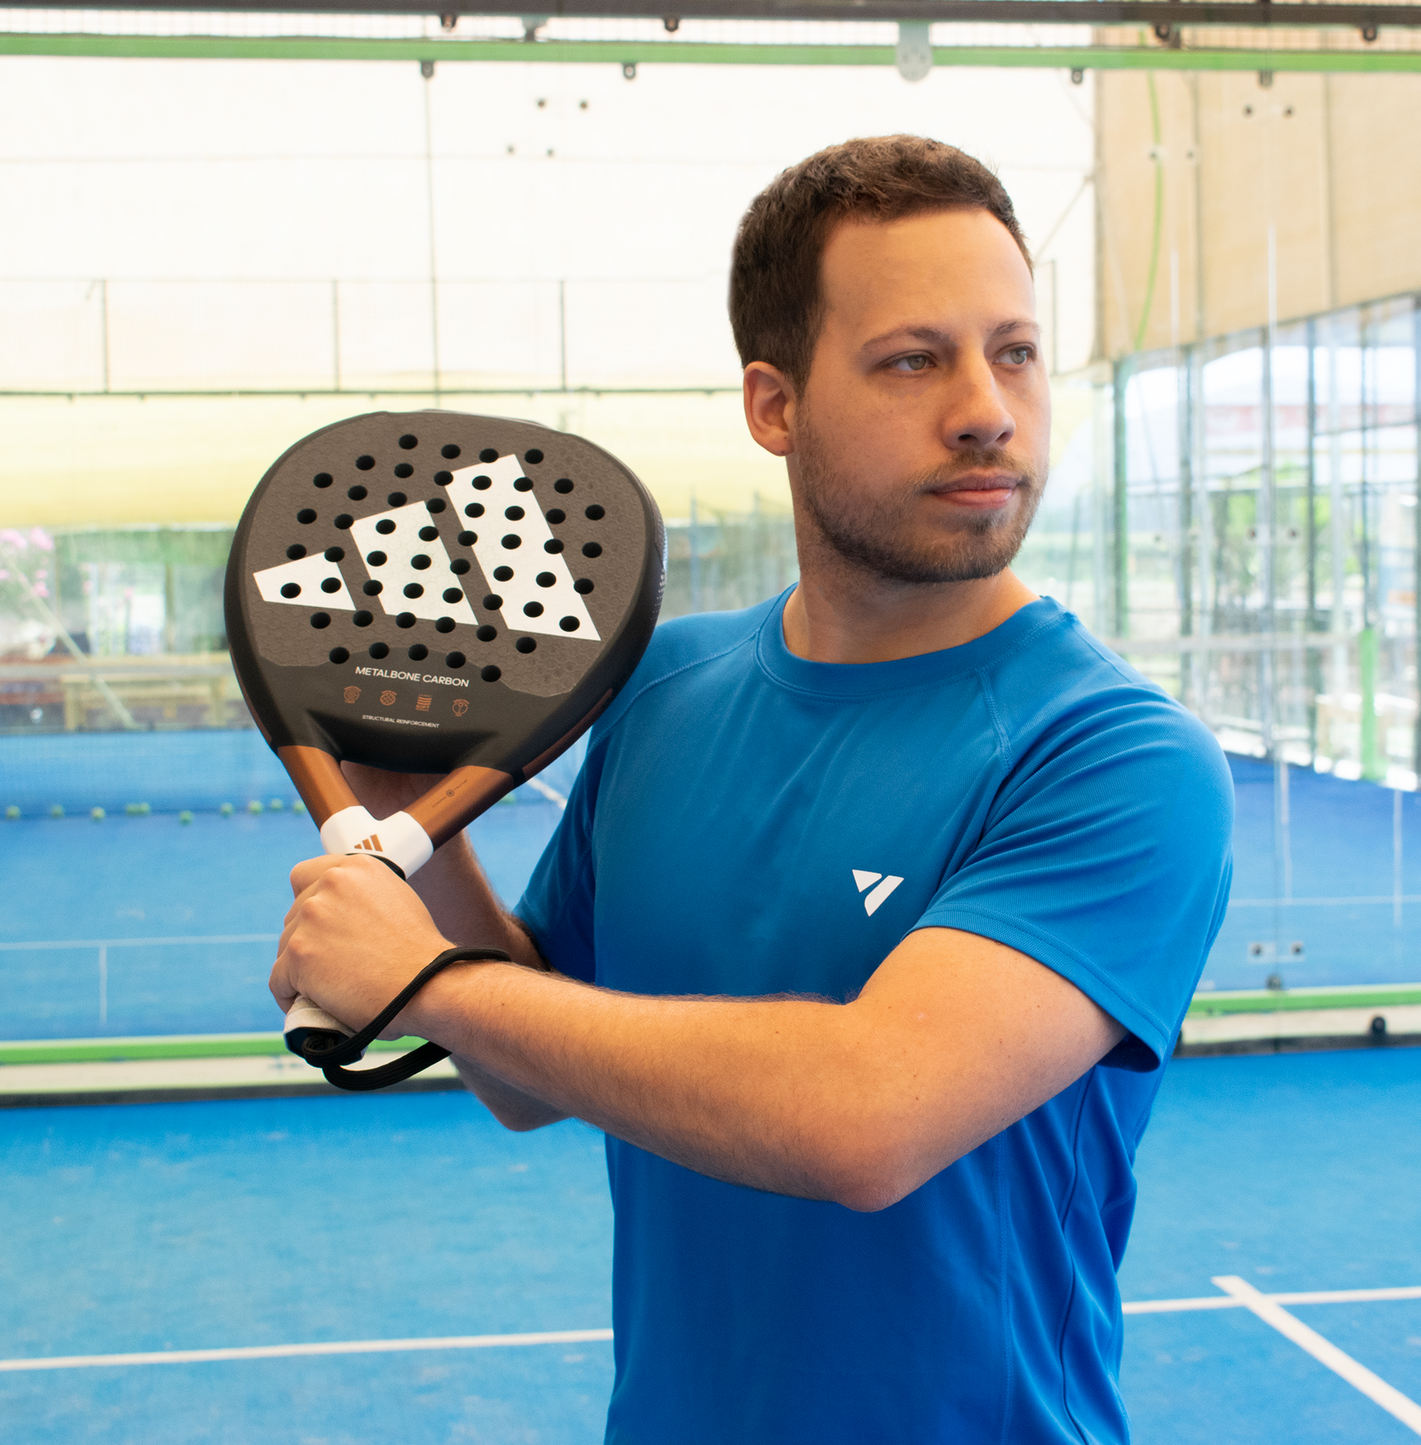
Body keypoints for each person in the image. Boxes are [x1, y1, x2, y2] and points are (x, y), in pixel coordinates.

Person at [273, 135, 1233, 1443]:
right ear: (774, 406)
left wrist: (424, 981)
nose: (987, 408)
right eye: (913, 358)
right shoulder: (665, 688)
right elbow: (526, 1072)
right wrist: (416, 830)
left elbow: (866, 1117)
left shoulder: (1115, 758)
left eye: (1013, 349)